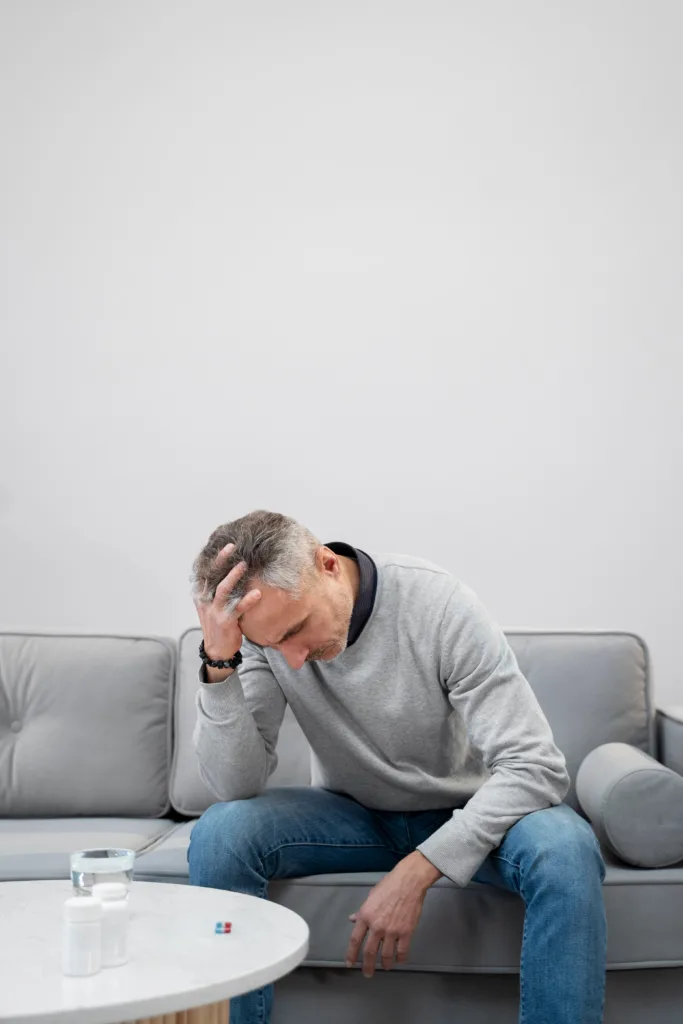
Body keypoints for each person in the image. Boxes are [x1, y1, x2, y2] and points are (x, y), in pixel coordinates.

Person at [188, 510, 607, 1024]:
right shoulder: (265, 639)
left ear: (328, 565)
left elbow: (534, 765)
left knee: (565, 849)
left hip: (468, 810)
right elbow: (236, 784)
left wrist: (420, 868)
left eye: (297, 630)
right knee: (221, 833)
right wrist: (219, 663)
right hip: (354, 816)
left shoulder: (438, 605)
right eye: (275, 645)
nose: (293, 661)